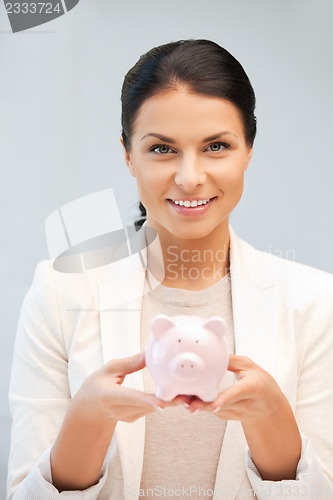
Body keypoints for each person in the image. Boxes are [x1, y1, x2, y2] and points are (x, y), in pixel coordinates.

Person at [7, 39, 333, 500]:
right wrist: (88, 420)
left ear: (249, 150)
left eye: (216, 146)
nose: (189, 176)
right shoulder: (61, 293)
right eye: (162, 149)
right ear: (127, 154)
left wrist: (271, 419)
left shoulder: (315, 303)